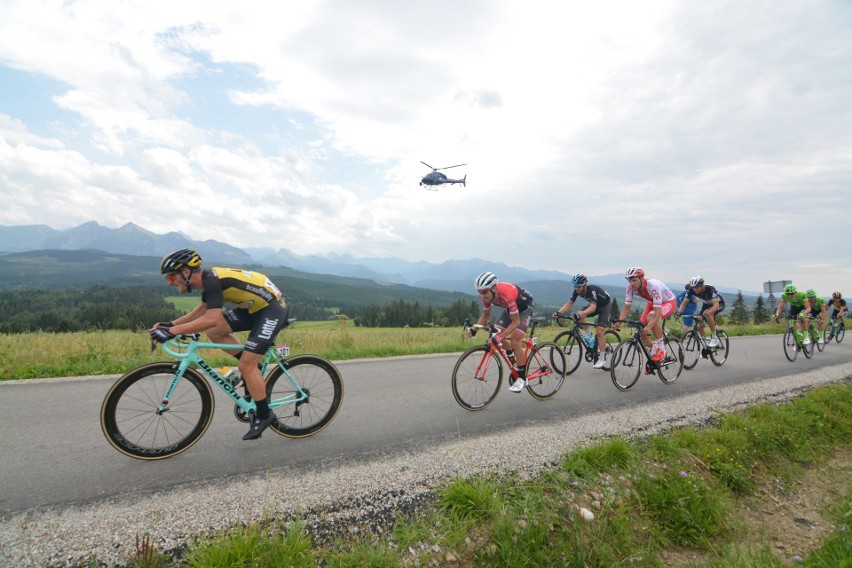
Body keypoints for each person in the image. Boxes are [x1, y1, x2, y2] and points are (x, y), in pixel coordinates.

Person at [149, 249, 289, 441]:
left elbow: (211, 318)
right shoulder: (207, 280)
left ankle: (265, 415)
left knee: (244, 366)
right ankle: (252, 367)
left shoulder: (211, 281)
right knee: (215, 332)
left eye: (172, 276)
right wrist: (171, 325)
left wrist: (173, 332)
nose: (170, 281)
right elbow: (203, 310)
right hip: (254, 309)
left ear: (187, 272)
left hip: (271, 309)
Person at [471, 272, 535, 393]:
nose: (482, 295)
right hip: (511, 309)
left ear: (494, 288)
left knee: (515, 341)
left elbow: (516, 322)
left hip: (525, 307)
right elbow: (486, 315)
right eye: (479, 291)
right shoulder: (487, 296)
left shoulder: (506, 294)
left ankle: (522, 378)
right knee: (496, 334)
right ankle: (515, 362)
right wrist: (474, 329)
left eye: (484, 291)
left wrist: (502, 336)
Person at [612, 267, 677, 367]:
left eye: (634, 280)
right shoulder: (630, 288)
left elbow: (656, 312)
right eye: (629, 280)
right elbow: (626, 308)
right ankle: (654, 353)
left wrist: (649, 327)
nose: (631, 283)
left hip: (668, 302)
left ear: (642, 278)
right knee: (641, 329)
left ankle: (662, 349)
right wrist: (619, 322)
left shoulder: (653, 285)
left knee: (650, 319)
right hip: (652, 303)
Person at [552, 273, 612, 369]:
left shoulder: (591, 290)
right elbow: (569, 303)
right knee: (579, 316)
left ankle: (602, 358)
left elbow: (592, 308)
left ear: (584, 285)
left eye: (579, 286)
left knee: (600, 331)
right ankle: (591, 337)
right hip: (595, 305)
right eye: (575, 286)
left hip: (604, 306)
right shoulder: (576, 291)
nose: (577, 288)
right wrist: (559, 313)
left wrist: (580, 314)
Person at [676, 276, 726, 347]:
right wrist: (679, 312)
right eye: (693, 287)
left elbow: (716, 305)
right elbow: (684, 303)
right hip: (706, 304)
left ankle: (714, 337)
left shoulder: (710, 289)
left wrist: (705, 314)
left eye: (697, 287)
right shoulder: (691, 290)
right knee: (700, 326)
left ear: (702, 285)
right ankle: (706, 346)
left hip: (718, 304)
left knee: (707, 314)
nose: (695, 289)